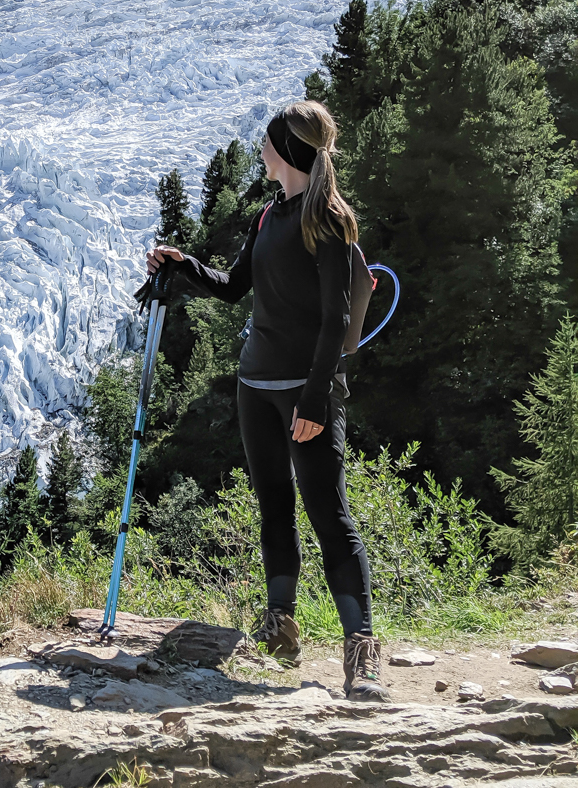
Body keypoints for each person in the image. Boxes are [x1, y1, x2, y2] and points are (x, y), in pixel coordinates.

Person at [146, 100, 389, 703]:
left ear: (288, 149)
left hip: (305, 394)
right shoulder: (267, 217)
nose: (260, 149)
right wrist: (183, 266)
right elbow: (233, 290)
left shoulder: (328, 222)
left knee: (329, 514)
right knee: (274, 505)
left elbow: (334, 323)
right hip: (254, 387)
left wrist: (313, 401)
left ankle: (361, 649)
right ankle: (280, 626)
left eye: (268, 141)